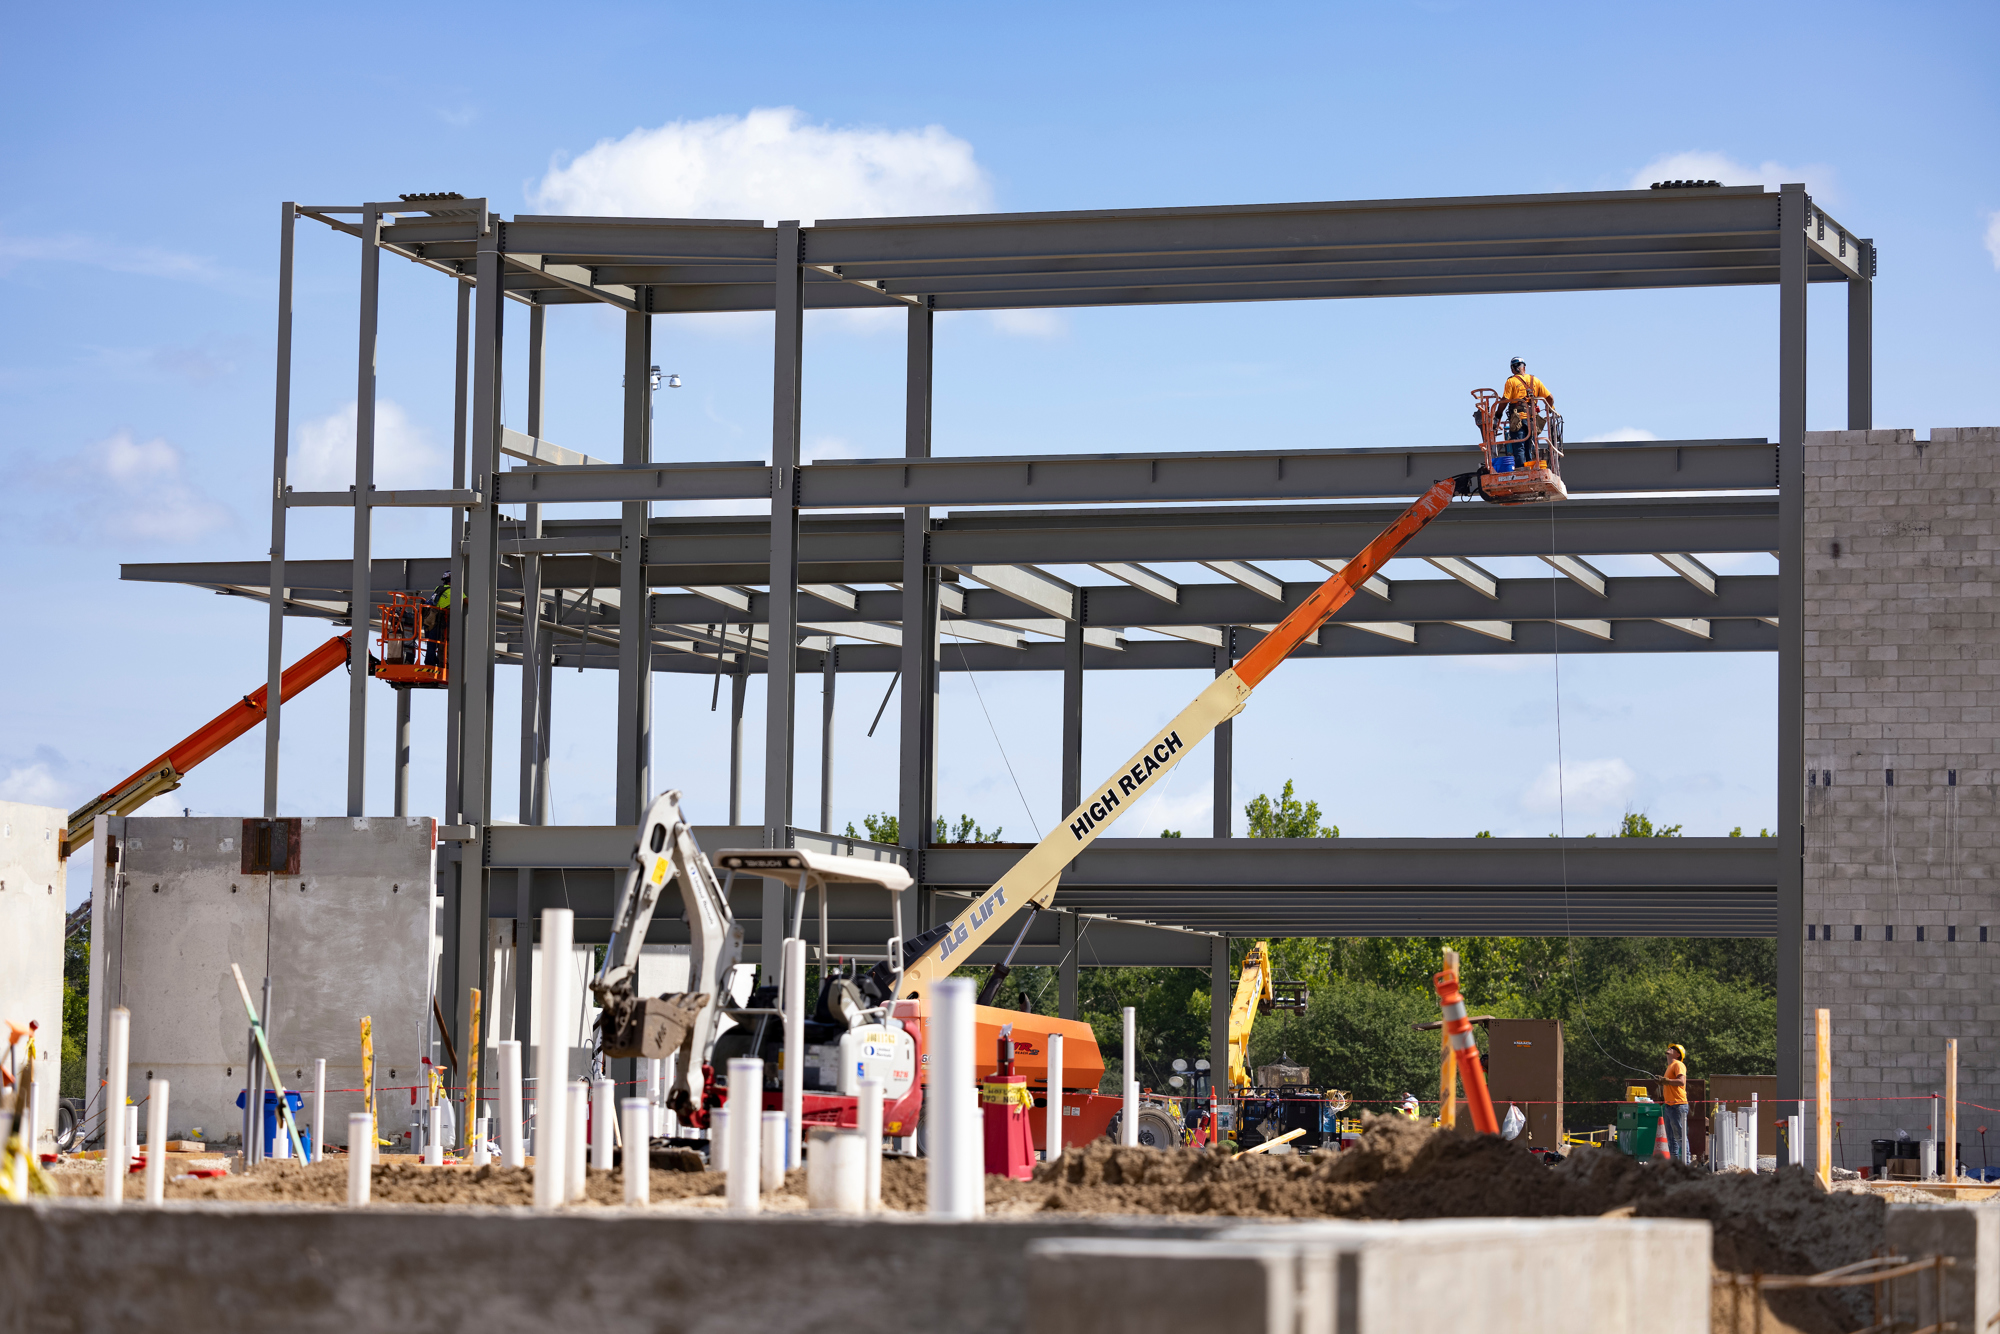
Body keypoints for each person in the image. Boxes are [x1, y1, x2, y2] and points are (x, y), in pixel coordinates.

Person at [1498, 357, 1554, 467]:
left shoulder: (1511, 381)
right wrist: (1550, 408)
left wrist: (1497, 414)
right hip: (1532, 420)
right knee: (1530, 446)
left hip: (1518, 419)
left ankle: (1521, 471)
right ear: (1524, 367)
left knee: (1519, 447)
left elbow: (1504, 400)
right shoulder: (1535, 380)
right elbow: (1550, 398)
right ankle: (1531, 468)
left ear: (1513, 369)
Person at [1661, 1043, 1690, 1163]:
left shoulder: (1678, 1064)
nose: (1670, 1048)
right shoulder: (1670, 1067)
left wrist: (1667, 1081)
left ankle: (1686, 1165)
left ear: (1678, 1054)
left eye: (1673, 1049)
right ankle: (1675, 1166)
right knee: (1671, 1140)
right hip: (1669, 1105)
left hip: (1678, 1105)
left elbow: (1681, 1081)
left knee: (1680, 1138)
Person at [425, 573, 452, 667]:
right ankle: (431, 662)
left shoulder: (438, 588)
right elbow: (466, 601)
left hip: (430, 618)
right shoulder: (453, 591)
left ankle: (431, 661)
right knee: (436, 641)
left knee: (431, 642)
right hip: (439, 619)